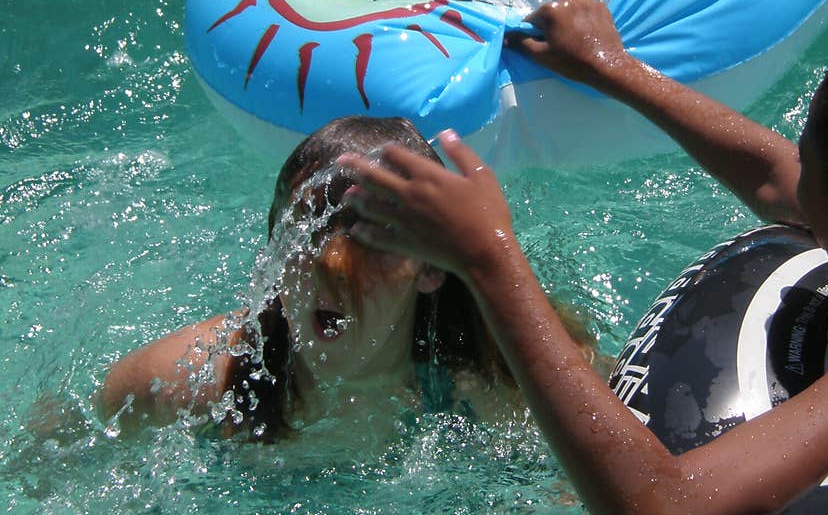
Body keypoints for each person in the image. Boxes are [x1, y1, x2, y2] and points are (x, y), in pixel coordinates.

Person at [339, 0, 828, 515]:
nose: (795, 174)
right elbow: (774, 178)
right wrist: (611, 67)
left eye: (808, 160)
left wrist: (487, 258)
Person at [99, 115, 599, 441]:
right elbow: (55, 456)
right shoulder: (191, 383)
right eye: (305, 235)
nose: (331, 266)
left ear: (429, 267)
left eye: (371, 237)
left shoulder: (495, 388)